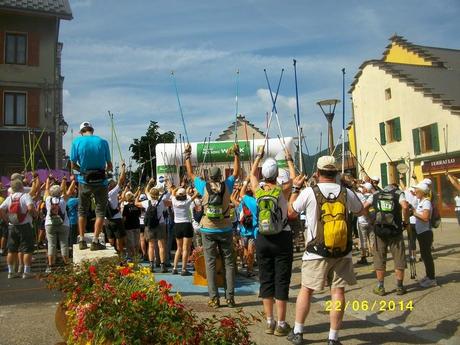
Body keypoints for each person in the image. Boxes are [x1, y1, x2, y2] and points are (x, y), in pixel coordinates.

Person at [287, 156, 364, 345]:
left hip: (315, 251)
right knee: (338, 292)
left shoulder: (309, 192)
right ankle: (333, 337)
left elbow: (291, 212)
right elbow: (360, 210)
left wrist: (295, 189)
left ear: (318, 172)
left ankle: (298, 331)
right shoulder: (346, 192)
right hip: (342, 251)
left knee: (306, 290)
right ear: (336, 172)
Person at [184, 142, 240, 308]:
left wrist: (187, 155)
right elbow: (236, 172)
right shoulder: (227, 185)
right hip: (225, 227)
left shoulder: (203, 186)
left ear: (209, 176)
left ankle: (214, 298)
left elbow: (190, 173)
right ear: (221, 176)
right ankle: (230, 297)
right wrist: (236, 154)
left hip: (207, 228)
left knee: (209, 263)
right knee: (228, 263)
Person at [249, 145, 296, 337]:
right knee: (281, 280)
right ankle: (281, 323)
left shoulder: (257, 190)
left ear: (263, 174)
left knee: (265, 280)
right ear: (277, 174)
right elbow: (293, 178)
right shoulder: (282, 190)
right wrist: (289, 159)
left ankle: (269, 321)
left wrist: (258, 156)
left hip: (262, 237)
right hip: (282, 237)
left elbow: (252, 174)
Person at [70, 121, 112, 251]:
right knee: (100, 212)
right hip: (101, 181)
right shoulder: (103, 142)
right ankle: (95, 240)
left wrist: (82, 170)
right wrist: (104, 171)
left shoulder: (77, 142)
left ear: (82, 132)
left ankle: (82, 239)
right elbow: (109, 165)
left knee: (82, 210)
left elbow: (72, 165)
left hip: (84, 180)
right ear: (92, 130)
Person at [372, 183, 409, 296]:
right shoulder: (398, 194)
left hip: (379, 230)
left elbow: (364, 206)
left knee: (379, 258)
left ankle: (381, 287)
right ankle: (399, 287)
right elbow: (405, 207)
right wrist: (406, 222)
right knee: (399, 258)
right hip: (395, 231)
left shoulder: (376, 194)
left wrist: (370, 220)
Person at [0, 179, 37, 279]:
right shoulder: (25, 196)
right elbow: (30, 208)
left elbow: (1, 209)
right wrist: (34, 215)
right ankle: (26, 272)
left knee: (11, 250)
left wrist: (6, 220)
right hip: (25, 226)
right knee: (27, 249)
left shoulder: (9, 198)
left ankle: (11, 272)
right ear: (22, 187)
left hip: (12, 226)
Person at [136, 179, 168, 273]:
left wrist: (149, 183)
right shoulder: (162, 202)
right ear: (158, 194)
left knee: (151, 245)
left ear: (150, 194)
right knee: (161, 245)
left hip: (149, 226)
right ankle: (162, 265)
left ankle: (151, 265)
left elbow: (136, 203)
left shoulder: (147, 202)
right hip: (160, 224)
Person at [44, 176, 76, 273]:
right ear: (60, 192)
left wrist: (48, 179)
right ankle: (66, 264)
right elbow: (69, 190)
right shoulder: (63, 199)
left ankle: (50, 265)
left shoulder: (47, 199)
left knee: (51, 244)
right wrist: (68, 180)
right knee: (64, 244)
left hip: (50, 223)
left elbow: (46, 189)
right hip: (63, 223)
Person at [165, 185, 198, 276]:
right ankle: (184, 269)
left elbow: (172, 193)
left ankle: (175, 268)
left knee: (178, 248)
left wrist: (178, 187)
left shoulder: (174, 201)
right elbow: (195, 195)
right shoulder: (187, 201)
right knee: (186, 249)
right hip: (186, 225)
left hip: (177, 225)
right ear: (184, 195)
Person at [412, 183, 437, 287]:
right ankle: (428, 276)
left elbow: (426, 217)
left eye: (416, 190)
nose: (415, 192)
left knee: (427, 256)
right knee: (424, 256)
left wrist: (414, 213)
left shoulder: (426, 202)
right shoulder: (421, 201)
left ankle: (432, 279)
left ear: (422, 191)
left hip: (425, 233)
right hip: (421, 232)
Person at [105, 163, 127, 257]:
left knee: (111, 240)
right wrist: (123, 168)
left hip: (107, 220)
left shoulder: (100, 195)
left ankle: (115, 253)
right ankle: (121, 256)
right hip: (116, 219)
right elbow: (121, 180)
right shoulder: (111, 193)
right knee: (119, 240)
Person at [356, 182, 375, 265]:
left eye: (363, 187)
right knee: (372, 240)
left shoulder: (360, 196)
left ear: (366, 189)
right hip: (372, 221)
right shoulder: (372, 196)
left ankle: (363, 257)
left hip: (362, 221)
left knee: (363, 240)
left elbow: (364, 208)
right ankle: (375, 257)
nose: (362, 188)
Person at [122, 190, 141, 259]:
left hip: (129, 226)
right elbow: (139, 215)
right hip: (136, 225)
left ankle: (132, 255)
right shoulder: (137, 206)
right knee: (136, 241)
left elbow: (124, 217)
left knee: (130, 242)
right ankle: (136, 254)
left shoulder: (126, 207)